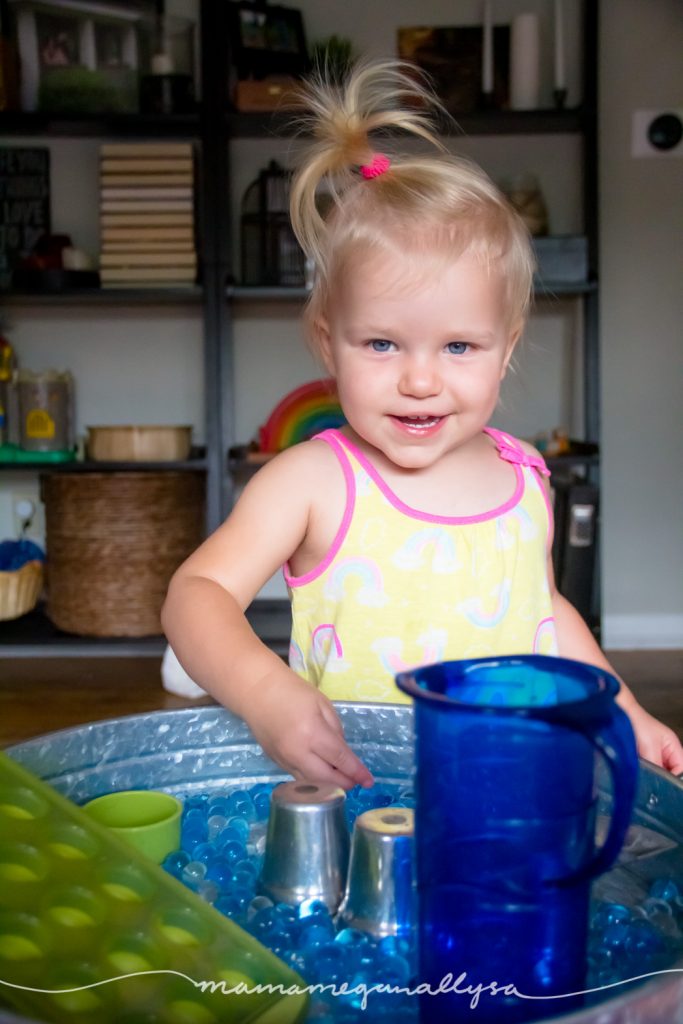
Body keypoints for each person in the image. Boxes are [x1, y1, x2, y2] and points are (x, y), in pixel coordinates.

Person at [162, 59, 683, 787]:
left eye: (459, 346)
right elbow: (196, 595)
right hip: (353, 796)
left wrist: (622, 712)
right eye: (381, 343)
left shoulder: (523, 476)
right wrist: (261, 691)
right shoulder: (313, 481)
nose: (418, 379)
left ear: (503, 351)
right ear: (326, 341)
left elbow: (545, 614)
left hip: (498, 793)